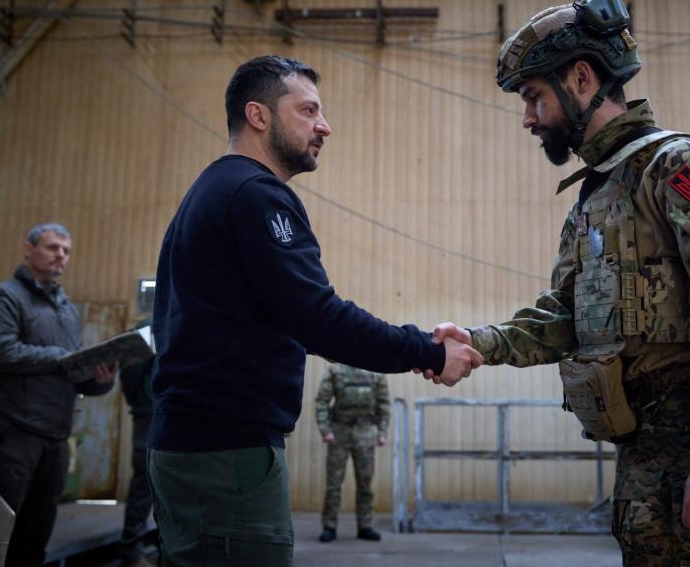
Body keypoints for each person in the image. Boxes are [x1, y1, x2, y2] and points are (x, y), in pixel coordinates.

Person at [429, 0, 690, 566]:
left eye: (533, 97)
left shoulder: (678, 169)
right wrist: (481, 344)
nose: (527, 118)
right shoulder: (598, 191)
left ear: (579, 79)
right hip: (642, 448)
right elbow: (567, 315)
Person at [146, 55, 483, 567]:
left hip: (195, 446)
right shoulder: (255, 195)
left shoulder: (213, 191)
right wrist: (427, 351)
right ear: (259, 116)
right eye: (307, 111)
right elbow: (317, 317)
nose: (324, 126)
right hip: (226, 454)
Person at [0, 223, 118, 567]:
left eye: (66, 250)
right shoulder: (4, 297)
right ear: (28, 249)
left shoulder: (65, 309)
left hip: (55, 438)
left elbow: (72, 370)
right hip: (12, 434)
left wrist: (100, 379)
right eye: (53, 247)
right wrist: (63, 358)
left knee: (36, 534)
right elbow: (0, 352)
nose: (61, 256)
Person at [315, 362, 390, 543]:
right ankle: (329, 526)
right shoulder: (336, 369)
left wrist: (382, 432)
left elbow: (384, 403)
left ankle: (365, 526)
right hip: (340, 430)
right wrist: (325, 430)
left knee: (365, 482)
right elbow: (322, 400)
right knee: (334, 483)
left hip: (365, 431)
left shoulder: (376, 370)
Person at [118, 316, 156, 567]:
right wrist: (142, 403)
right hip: (151, 413)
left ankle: (164, 552)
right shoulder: (148, 327)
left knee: (172, 485)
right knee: (144, 481)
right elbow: (130, 372)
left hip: (166, 412)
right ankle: (132, 552)